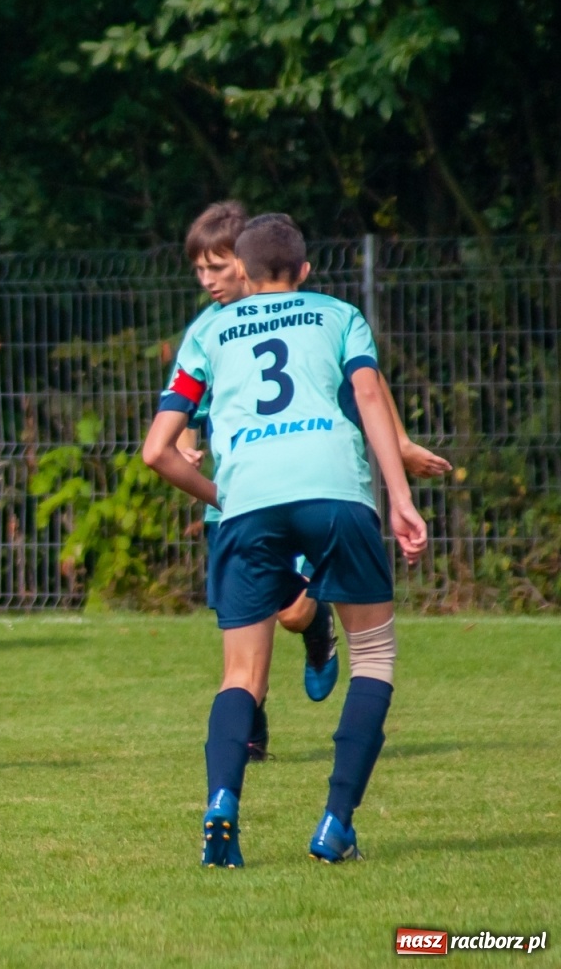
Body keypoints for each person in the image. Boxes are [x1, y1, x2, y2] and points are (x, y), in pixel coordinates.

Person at [144, 213, 428, 867]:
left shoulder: (208, 331)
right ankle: (335, 823)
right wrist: (401, 496)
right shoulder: (337, 315)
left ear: (242, 267)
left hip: (247, 505)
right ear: (303, 270)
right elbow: (367, 394)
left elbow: (157, 451)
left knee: (239, 675)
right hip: (336, 492)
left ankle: (221, 805)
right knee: (377, 659)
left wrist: (229, 496)